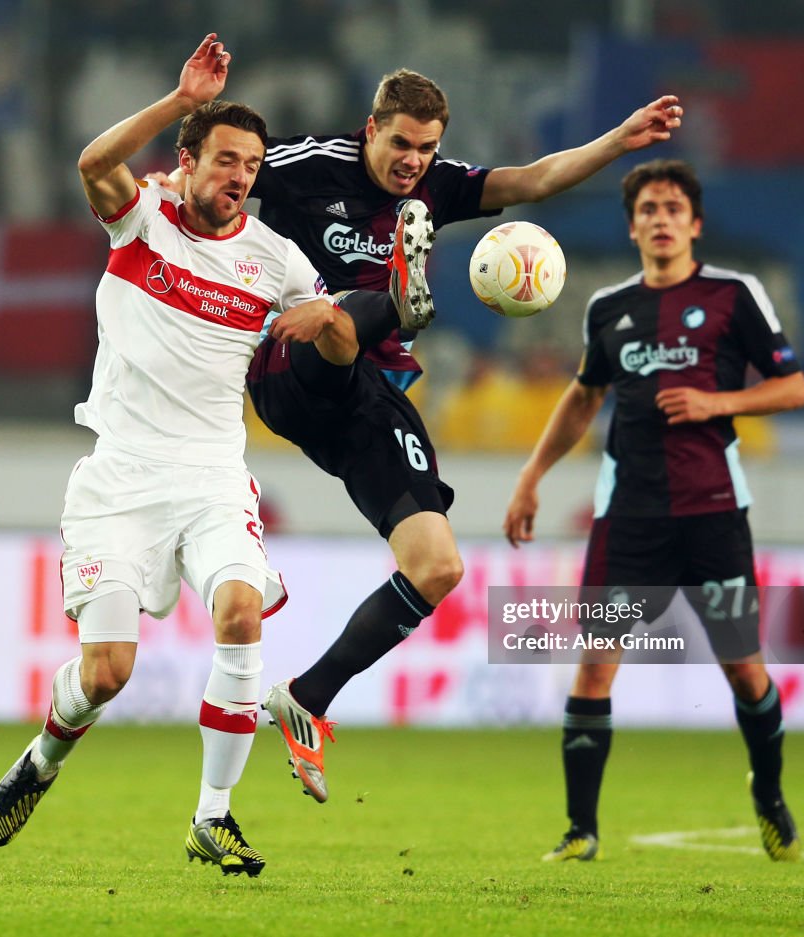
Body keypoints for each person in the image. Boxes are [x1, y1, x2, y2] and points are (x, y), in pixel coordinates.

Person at [152, 69, 684, 804]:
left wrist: (620, 140)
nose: (413, 160)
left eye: (427, 149)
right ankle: (386, 300)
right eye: (401, 143)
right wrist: (161, 194)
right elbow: (220, 171)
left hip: (372, 393)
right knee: (336, 319)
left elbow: (530, 181)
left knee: (437, 565)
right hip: (289, 361)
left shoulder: (437, 184)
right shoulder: (307, 167)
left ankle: (307, 696)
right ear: (370, 130)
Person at [0, 35, 355, 877]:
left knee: (239, 612)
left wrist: (329, 326)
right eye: (225, 160)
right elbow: (91, 160)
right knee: (108, 673)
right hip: (119, 478)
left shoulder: (275, 260)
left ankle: (212, 817)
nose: (241, 178)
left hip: (215, 476)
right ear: (187, 160)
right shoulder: (142, 216)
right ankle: (42, 758)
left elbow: (338, 350)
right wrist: (179, 99)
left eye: (253, 166)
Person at [503, 159, 804, 863]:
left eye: (673, 207)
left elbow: (792, 387)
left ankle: (768, 795)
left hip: (713, 514)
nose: (661, 218)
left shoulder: (735, 295)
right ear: (633, 225)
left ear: (694, 223)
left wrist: (716, 403)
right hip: (629, 520)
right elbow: (582, 397)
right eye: (648, 208)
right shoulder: (608, 308)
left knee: (745, 670)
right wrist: (531, 475)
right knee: (593, 668)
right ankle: (581, 829)